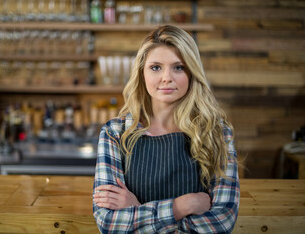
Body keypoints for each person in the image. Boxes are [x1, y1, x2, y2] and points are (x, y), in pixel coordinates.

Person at [92, 25, 240, 233]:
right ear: (142, 73)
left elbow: (221, 223)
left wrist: (137, 210)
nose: (166, 77)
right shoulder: (115, 132)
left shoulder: (217, 132)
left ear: (192, 73)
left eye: (178, 67)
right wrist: (182, 206)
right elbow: (109, 223)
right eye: (155, 67)